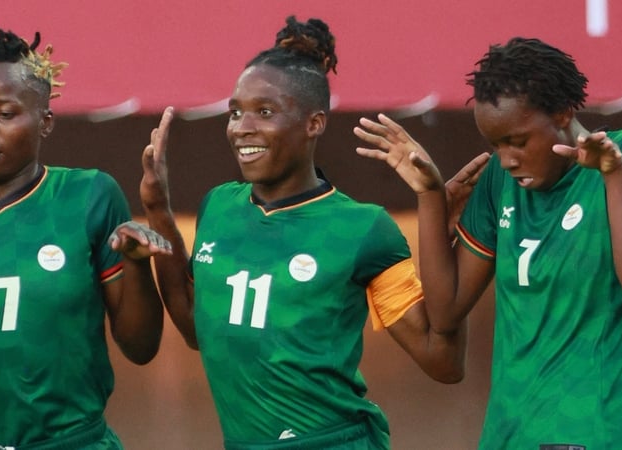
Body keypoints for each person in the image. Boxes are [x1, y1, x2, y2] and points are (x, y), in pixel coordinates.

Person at [132, 15, 489, 450]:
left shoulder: (363, 229)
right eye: (235, 112)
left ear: (314, 123)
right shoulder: (219, 206)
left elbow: (444, 362)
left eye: (264, 112)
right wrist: (157, 208)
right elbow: (194, 331)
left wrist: (436, 223)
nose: (242, 127)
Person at [354, 37, 622, 449]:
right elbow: (446, 312)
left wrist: (612, 175)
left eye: (518, 142)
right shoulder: (498, 182)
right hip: (505, 436)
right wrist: (431, 197)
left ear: (563, 113)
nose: (507, 159)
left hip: (593, 434)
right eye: (496, 145)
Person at [0, 29, 171, 449]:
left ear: (45, 122)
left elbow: (140, 346)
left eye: (5, 113)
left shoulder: (89, 195)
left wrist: (135, 263)